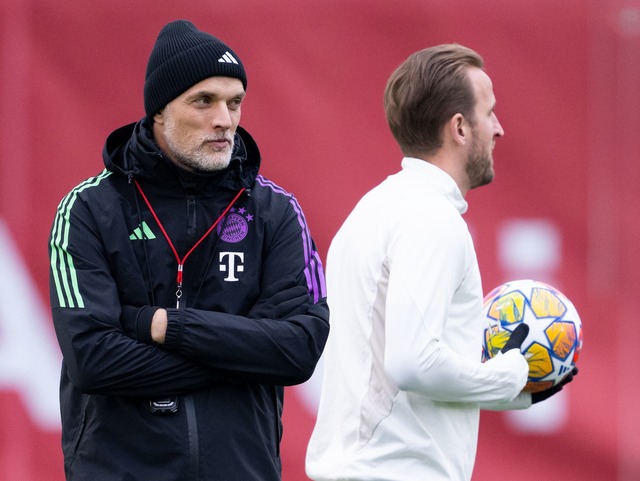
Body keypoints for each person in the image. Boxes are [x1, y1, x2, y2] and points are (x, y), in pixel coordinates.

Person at [49, 20, 329, 481]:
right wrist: (243, 353)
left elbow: (300, 348)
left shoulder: (276, 211)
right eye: (204, 101)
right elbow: (93, 360)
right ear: (159, 111)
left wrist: (156, 324)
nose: (225, 119)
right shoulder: (87, 209)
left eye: (234, 102)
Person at [305, 44, 575, 481]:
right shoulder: (431, 219)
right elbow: (415, 364)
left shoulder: (371, 211)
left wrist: (517, 396)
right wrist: (512, 375)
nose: (499, 128)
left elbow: (407, 376)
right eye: (489, 113)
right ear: (460, 128)